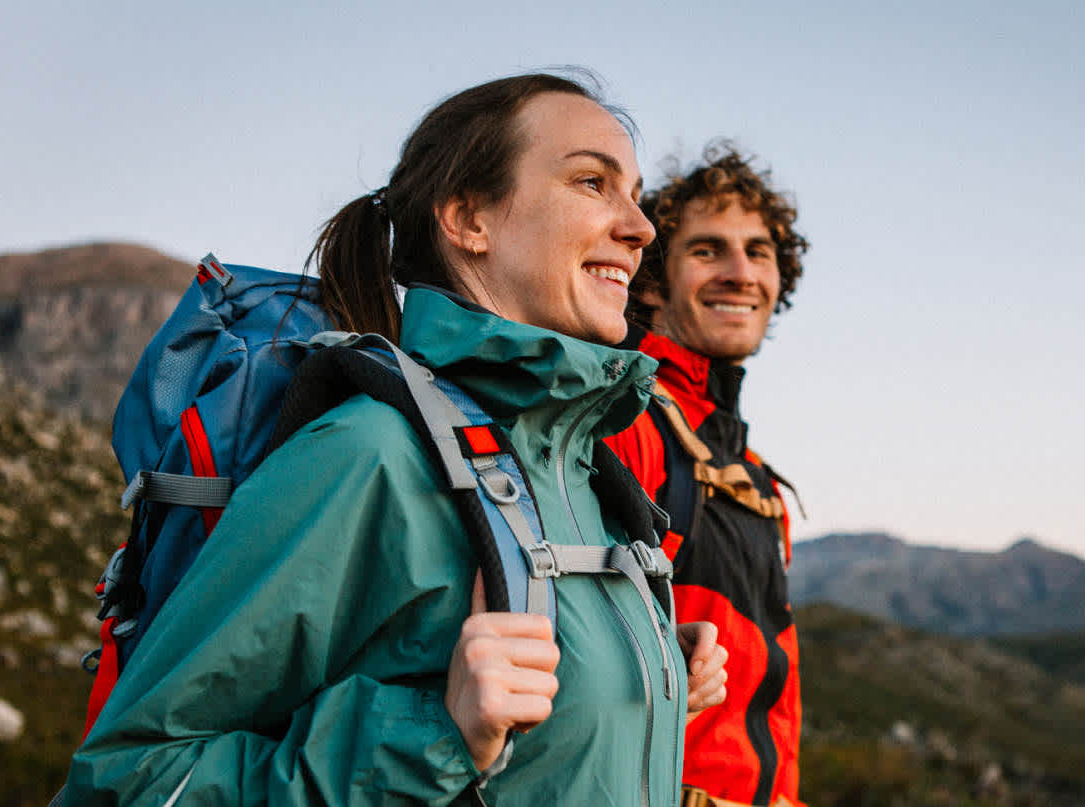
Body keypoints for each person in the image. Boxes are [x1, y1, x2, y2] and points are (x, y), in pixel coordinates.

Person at [62, 73, 727, 806]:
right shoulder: (367, 454)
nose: (641, 227)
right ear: (469, 218)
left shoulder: (586, 477)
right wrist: (436, 732)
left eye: (633, 192)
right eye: (592, 182)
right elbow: (128, 780)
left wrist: (640, 665)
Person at [605, 145, 809, 807]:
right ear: (653, 281)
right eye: (707, 250)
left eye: (759, 251)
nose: (739, 272)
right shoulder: (623, 426)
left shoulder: (759, 483)